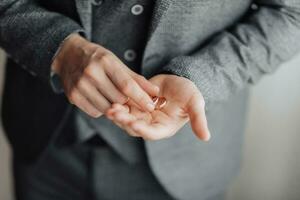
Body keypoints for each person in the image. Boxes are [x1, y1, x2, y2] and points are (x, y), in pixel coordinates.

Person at [0, 0, 300, 200]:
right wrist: (57, 46)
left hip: (185, 168)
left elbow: (290, 13)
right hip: (46, 145)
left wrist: (203, 76)